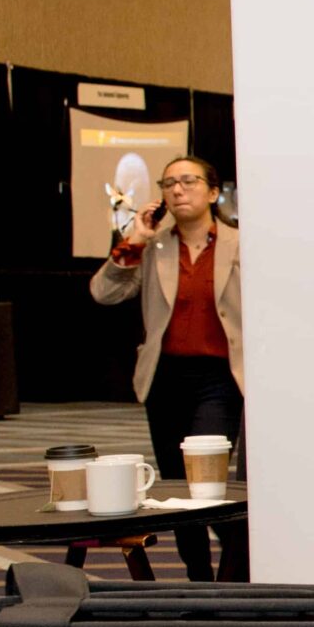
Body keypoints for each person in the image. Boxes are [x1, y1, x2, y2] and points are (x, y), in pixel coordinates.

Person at [89, 154, 241, 577]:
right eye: (169, 183)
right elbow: (104, 293)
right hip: (166, 378)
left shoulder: (240, 244)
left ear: (212, 192)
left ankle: (237, 569)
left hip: (221, 379)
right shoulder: (153, 245)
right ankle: (198, 578)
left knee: (205, 483)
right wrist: (134, 239)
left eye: (189, 181)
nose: (177, 190)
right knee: (175, 486)